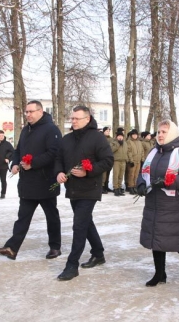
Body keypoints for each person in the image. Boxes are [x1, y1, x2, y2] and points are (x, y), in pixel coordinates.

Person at [0, 100, 63, 260]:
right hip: (28, 183)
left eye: (31, 111)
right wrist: (15, 163)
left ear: (40, 112)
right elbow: (18, 150)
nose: (28, 114)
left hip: (45, 182)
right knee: (22, 217)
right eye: (26, 112)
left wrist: (34, 164)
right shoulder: (25, 130)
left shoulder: (51, 129)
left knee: (51, 216)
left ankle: (55, 247)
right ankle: (11, 248)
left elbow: (54, 153)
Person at [136, 119, 179, 287]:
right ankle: (160, 274)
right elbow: (144, 171)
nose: (160, 135)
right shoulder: (154, 151)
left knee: (174, 237)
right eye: (159, 132)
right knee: (157, 239)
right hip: (155, 202)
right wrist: (141, 184)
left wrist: (170, 181)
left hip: (176, 205)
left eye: (164, 132)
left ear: (171, 133)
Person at [55, 106, 114, 281]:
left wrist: (89, 171)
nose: (73, 121)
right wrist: (58, 172)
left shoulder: (97, 138)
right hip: (72, 188)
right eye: (71, 118)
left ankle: (72, 265)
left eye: (76, 118)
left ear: (87, 119)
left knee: (79, 225)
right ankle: (98, 253)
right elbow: (58, 159)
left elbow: (108, 160)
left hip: (90, 187)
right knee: (86, 222)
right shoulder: (66, 139)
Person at [110, 130, 128, 196]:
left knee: (121, 175)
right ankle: (116, 188)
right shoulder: (114, 143)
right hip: (116, 161)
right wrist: (118, 144)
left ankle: (119, 187)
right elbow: (111, 150)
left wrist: (127, 159)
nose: (120, 137)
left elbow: (127, 151)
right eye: (119, 136)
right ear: (117, 137)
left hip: (123, 161)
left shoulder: (125, 143)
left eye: (121, 136)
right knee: (116, 175)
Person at [126, 129, 143, 194]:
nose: (135, 136)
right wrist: (131, 160)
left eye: (136, 135)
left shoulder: (139, 142)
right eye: (133, 135)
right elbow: (128, 151)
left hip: (138, 161)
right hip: (132, 161)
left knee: (136, 175)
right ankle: (130, 186)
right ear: (131, 135)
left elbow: (142, 151)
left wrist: (142, 159)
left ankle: (135, 186)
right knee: (131, 174)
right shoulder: (129, 142)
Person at [101, 126, 112, 194]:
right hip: (103, 158)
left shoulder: (111, 139)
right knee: (103, 174)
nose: (108, 132)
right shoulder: (101, 138)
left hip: (109, 158)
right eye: (106, 131)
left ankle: (106, 186)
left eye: (109, 131)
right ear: (104, 131)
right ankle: (101, 186)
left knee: (108, 173)